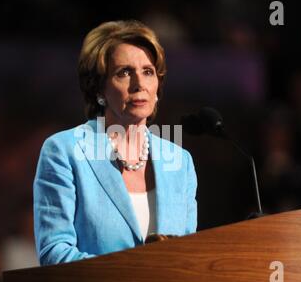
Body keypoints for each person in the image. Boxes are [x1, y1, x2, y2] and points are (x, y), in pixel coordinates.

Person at [34, 20, 198, 265]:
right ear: (98, 88)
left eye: (148, 71)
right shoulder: (64, 151)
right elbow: (55, 254)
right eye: (124, 72)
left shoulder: (180, 163)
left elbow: (189, 257)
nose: (139, 84)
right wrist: (129, 277)